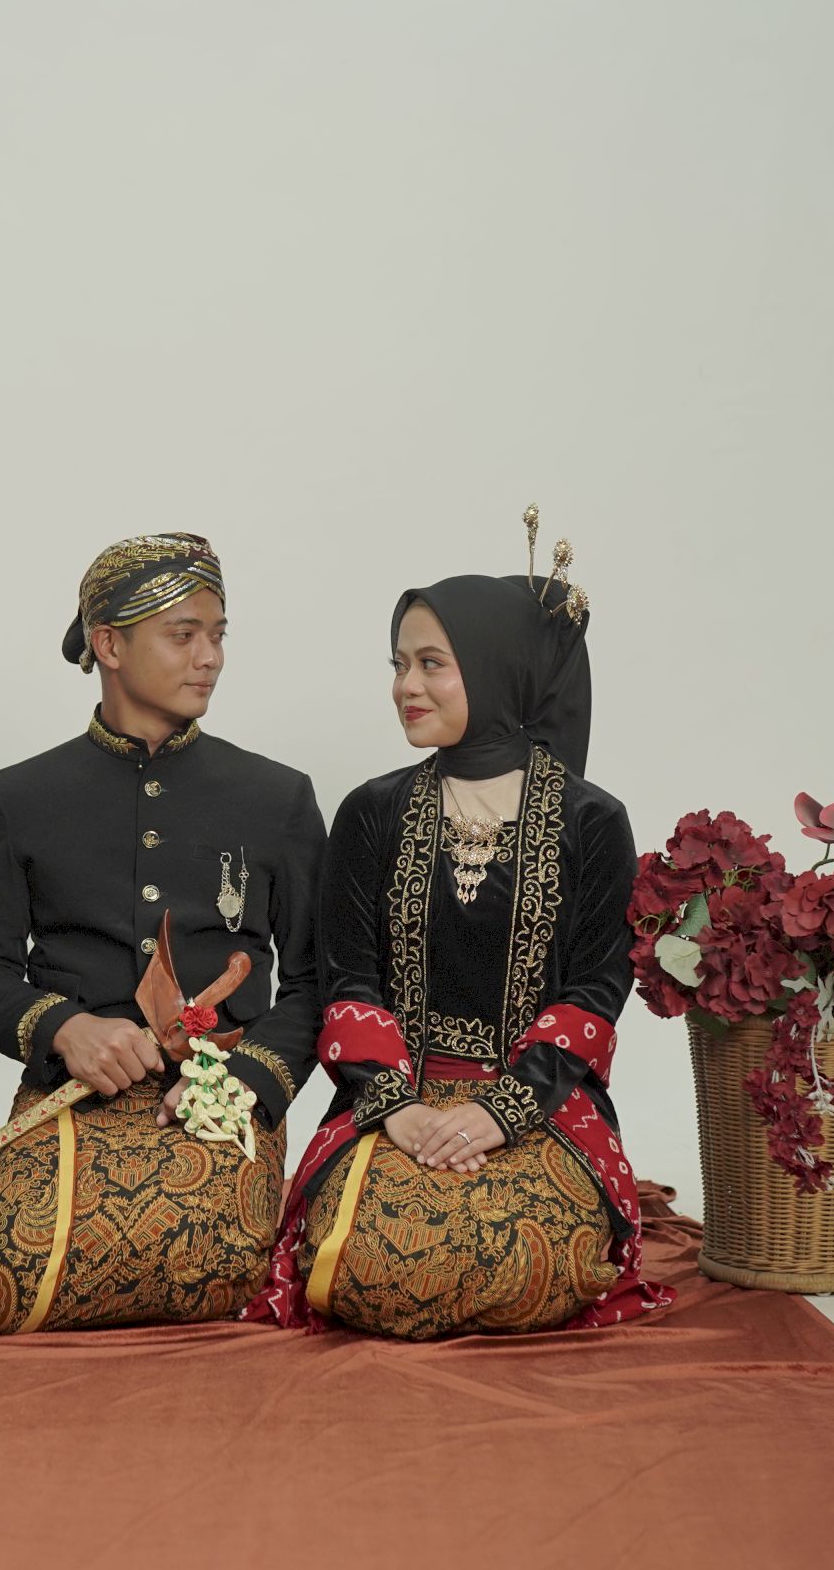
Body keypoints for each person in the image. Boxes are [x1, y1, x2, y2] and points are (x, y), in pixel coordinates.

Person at [244, 521, 673, 1336]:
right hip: (391, 1099)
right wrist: (398, 1110)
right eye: (398, 664)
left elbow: (595, 989)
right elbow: (349, 978)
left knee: (524, 1255)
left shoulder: (591, 820)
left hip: (541, 1104)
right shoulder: (373, 811)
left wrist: (500, 1112)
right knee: (368, 1258)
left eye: (431, 663)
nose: (406, 685)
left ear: (498, 668)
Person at [0, 532, 328, 1333]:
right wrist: (65, 1028)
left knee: (211, 1262)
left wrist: (245, 1083)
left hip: (222, 1095)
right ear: (110, 645)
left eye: (218, 634)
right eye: (183, 634)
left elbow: (319, 978)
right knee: (4, 1280)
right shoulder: (23, 796)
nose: (210, 657)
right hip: (73, 1092)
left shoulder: (278, 797)